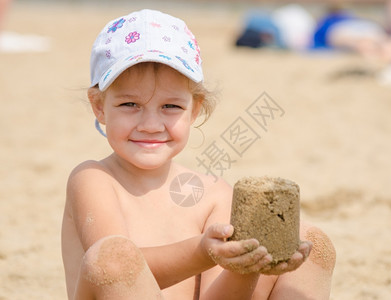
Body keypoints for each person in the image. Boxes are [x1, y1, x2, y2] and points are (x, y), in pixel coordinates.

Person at [61, 9, 336, 299]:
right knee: (112, 254)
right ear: (100, 106)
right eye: (130, 104)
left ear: (195, 108)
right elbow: (114, 267)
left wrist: (249, 264)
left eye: (171, 107)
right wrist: (203, 252)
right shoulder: (93, 179)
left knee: (314, 242)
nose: (151, 125)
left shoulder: (214, 195)